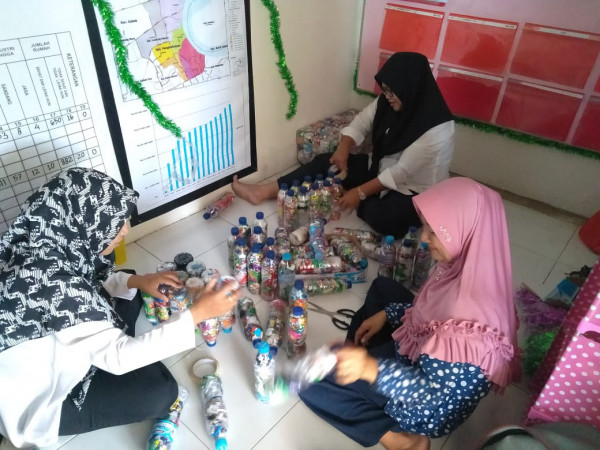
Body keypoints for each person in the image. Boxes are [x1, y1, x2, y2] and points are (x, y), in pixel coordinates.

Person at [0, 168, 240, 448]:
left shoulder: (44, 243)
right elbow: (120, 358)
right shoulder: (55, 285)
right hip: (40, 399)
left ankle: (115, 331)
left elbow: (93, 282)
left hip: (56, 346)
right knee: (162, 391)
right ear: (83, 221)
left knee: (129, 284)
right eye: (114, 222)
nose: (125, 229)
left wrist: (140, 281)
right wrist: (198, 313)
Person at [298, 177, 522, 450]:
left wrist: (371, 370)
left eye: (434, 232)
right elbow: (429, 315)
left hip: (429, 406)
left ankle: (401, 440)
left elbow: (429, 396)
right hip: (427, 353)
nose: (424, 239)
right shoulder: (474, 268)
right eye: (426, 228)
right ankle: (358, 366)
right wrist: (388, 314)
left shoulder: (466, 329)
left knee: (312, 383)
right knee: (383, 288)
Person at [232, 52, 455, 238]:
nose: (387, 96)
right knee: (325, 162)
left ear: (410, 88)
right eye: (385, 90)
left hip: (414, 189)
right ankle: (264, 191)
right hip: (379, 167)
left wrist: (359, 193)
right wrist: (343, 148)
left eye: (392, 92)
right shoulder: (388, 102)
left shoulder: (438, 129)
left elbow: (400, 173)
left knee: (387, 220)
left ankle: (351, 196)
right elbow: (362, 121)